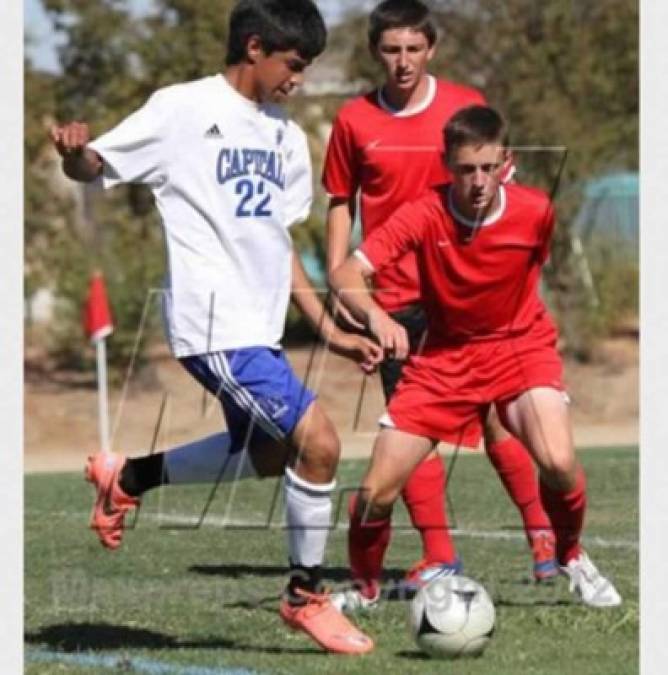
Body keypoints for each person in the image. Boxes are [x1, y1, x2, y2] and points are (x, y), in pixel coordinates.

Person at [49, 0, 382, 656]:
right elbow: (97, 167)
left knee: (269, 455)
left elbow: (278, 242)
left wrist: (325, 329)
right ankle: (305, 594)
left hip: (257, 327)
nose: (300, 79)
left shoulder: (285, 135)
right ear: (254, 47)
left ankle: (128, 477)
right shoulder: (182, 109)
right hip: (212, 322)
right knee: (318, 442)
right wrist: (75, 154)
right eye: (293, 64)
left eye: (308, 67)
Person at [330, 104, 622, 611]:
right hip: (444, 358)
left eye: (489, 167)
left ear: (506, 160)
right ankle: (365, 588)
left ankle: (571, 555)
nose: (479, 181)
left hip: (519, 349)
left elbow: (534, 274)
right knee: (376, 492)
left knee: (557, 460)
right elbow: (346, 273)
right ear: (448, 165)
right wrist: (378, 318)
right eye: (467, 169)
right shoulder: (424, 213)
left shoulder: (535, 212)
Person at [322, 0, 557, 608]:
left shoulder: (462, 105)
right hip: (394, 296)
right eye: (391, 50)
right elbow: (341, 201)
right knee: (411, 422)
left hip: (460, 294)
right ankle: (439, 554)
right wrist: (341, 274)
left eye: (413, 49)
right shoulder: (353, 120)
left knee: (494, 417)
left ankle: (541, 536)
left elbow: (498, 190)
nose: (402, 62)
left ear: (432, 48)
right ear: (376, 52)